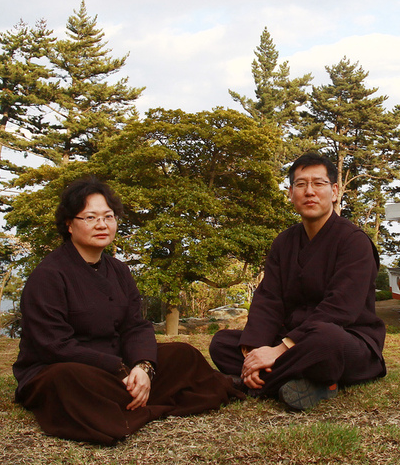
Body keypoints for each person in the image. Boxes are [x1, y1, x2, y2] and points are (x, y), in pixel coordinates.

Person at [12, 177, 243, 445]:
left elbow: (135, 326)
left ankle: (133, 397)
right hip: (67, 368)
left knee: (183, 354)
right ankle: (143, 403)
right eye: (90, 217)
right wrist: (118, 368)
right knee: (67, 380)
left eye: (108, 216)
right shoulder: (49, 275)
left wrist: (144, 367)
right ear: (69, 224)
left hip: (120, 366)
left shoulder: (119, 270)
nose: (102, 224)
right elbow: (54, 345)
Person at [209, 153, 387, 410]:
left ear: (335, 191)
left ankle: (250, 384)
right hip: (292, 341)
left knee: (325, 340)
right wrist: (255, 351)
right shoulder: (284, 242)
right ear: (291, 193)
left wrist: (279, 351)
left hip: (346, 340)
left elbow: (340, 309)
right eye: (301, 185)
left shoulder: (354, 242)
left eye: (318, 183)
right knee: (222, 343)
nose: (309, 192)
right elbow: (268, 299)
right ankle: (300, 381)